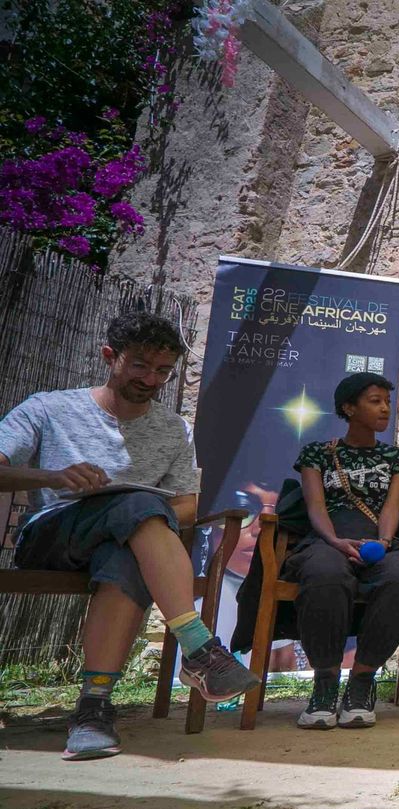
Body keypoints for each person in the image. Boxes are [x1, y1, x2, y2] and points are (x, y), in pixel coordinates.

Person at [0, 310, 259, 760]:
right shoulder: (50, 406)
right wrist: (56, 477)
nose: (151, 378)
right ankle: (198, 645)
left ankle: (93, 710)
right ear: (109, 356)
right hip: (54, 537)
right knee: (138, 511)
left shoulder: (172, 427)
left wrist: (147, 510)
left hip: (126, 542)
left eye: (163, 370)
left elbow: (189, 504)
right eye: (140, 364)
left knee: (129, 545)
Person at [285, 372, 399, 730]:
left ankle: (362, 681)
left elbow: (392, 507)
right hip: (328, 539)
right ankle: (326, 683)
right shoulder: (317, 453)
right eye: (375, 401)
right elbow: (315, 506)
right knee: (324, 574)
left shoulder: (397, 457)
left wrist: (383, 541)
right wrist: (333, 541)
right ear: (349, 408)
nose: (384, 409)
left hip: (380, 540)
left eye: (387, 402)